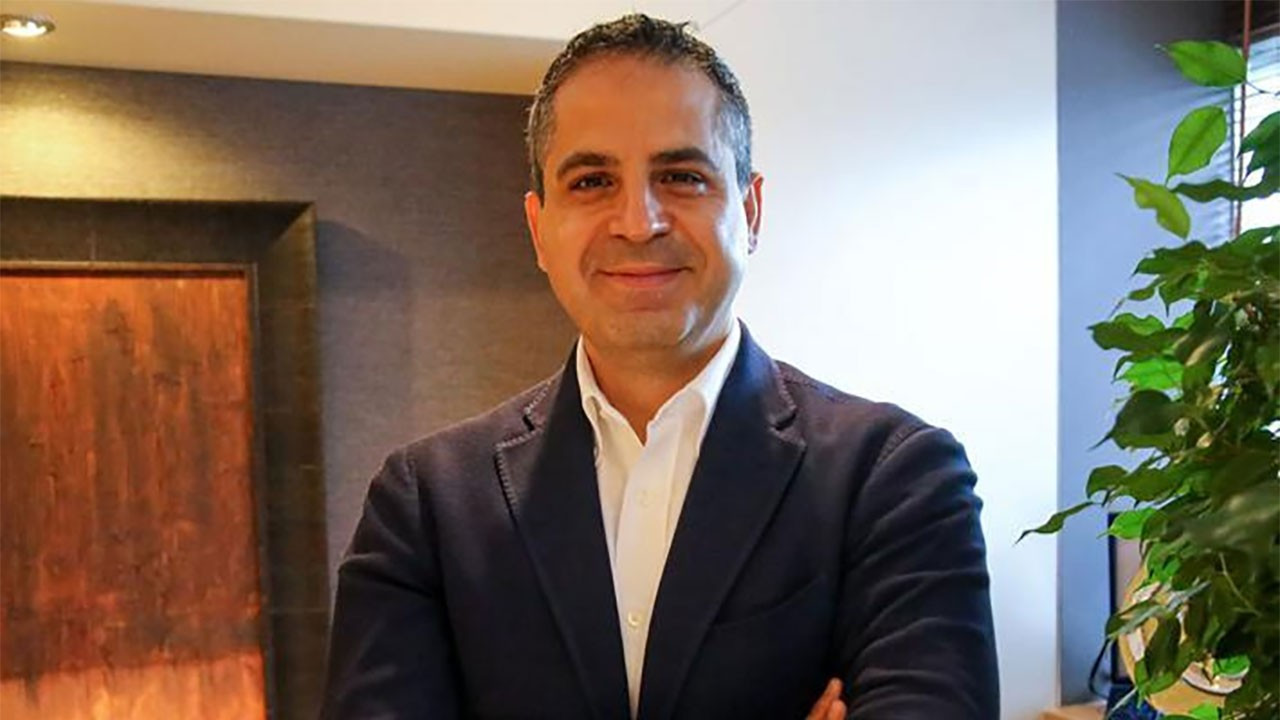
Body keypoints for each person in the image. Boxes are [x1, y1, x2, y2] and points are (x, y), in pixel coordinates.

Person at [322, 14, 998, 720]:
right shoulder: (426, 505)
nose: (638, 222)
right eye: (592, 181)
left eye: (681, 176)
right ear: (539, 229)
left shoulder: (893, 478)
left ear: (750, 210)